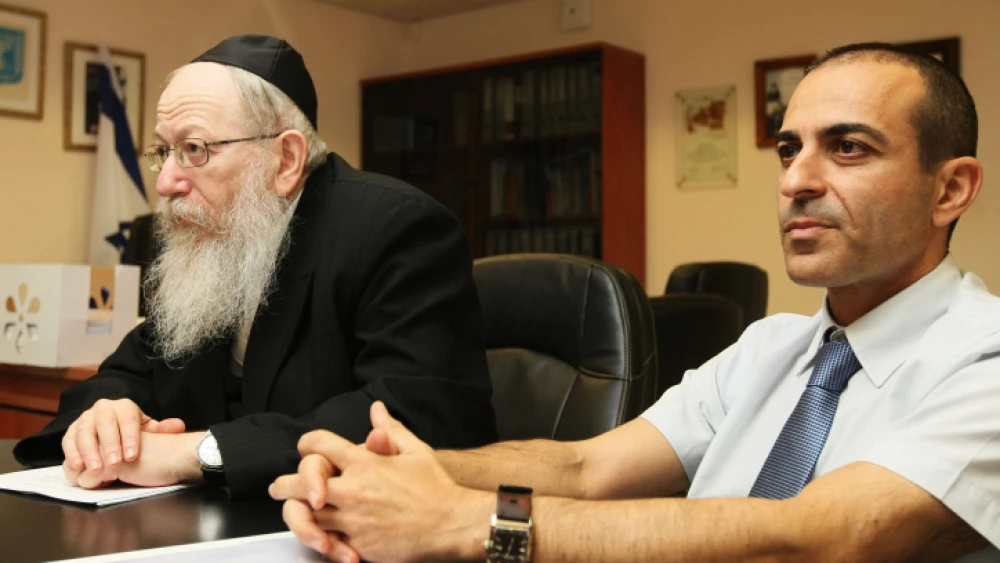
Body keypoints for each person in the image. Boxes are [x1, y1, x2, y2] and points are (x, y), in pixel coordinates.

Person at [270, 42, 1000, 562]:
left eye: (848, 148)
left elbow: (817, 540)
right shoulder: (770, 346)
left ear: (951, 188)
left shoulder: (985, 360)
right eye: (787, 148)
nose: (795, 181)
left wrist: (473, 522)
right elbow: (588, 471)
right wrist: (395, 473)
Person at [13, 35, 497, 498]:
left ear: (286, 159)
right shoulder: (206, 240)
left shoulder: (395, 229)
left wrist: (197, 452)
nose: (165, 182)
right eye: (163, 151)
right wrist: (108, 412)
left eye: (194, 150)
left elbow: (416, 417)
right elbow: (132, 368)